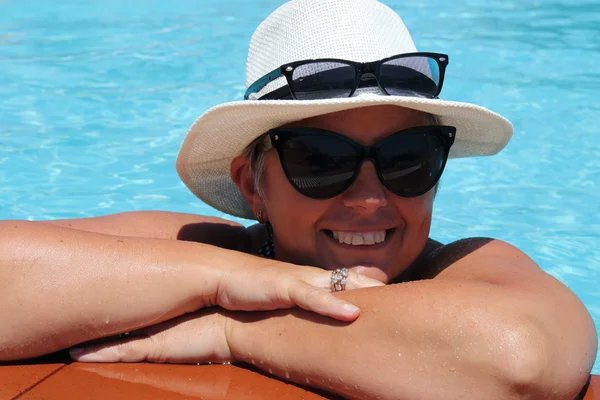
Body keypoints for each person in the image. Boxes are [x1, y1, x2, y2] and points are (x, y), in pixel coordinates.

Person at [0, 0, 597, 399]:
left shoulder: (466, 265)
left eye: (407, 158)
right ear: (250, 183)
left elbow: (521, 358)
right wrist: (230, 276)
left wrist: (233, 328)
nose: (369, 197)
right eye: (320, 160)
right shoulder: (209, 251)